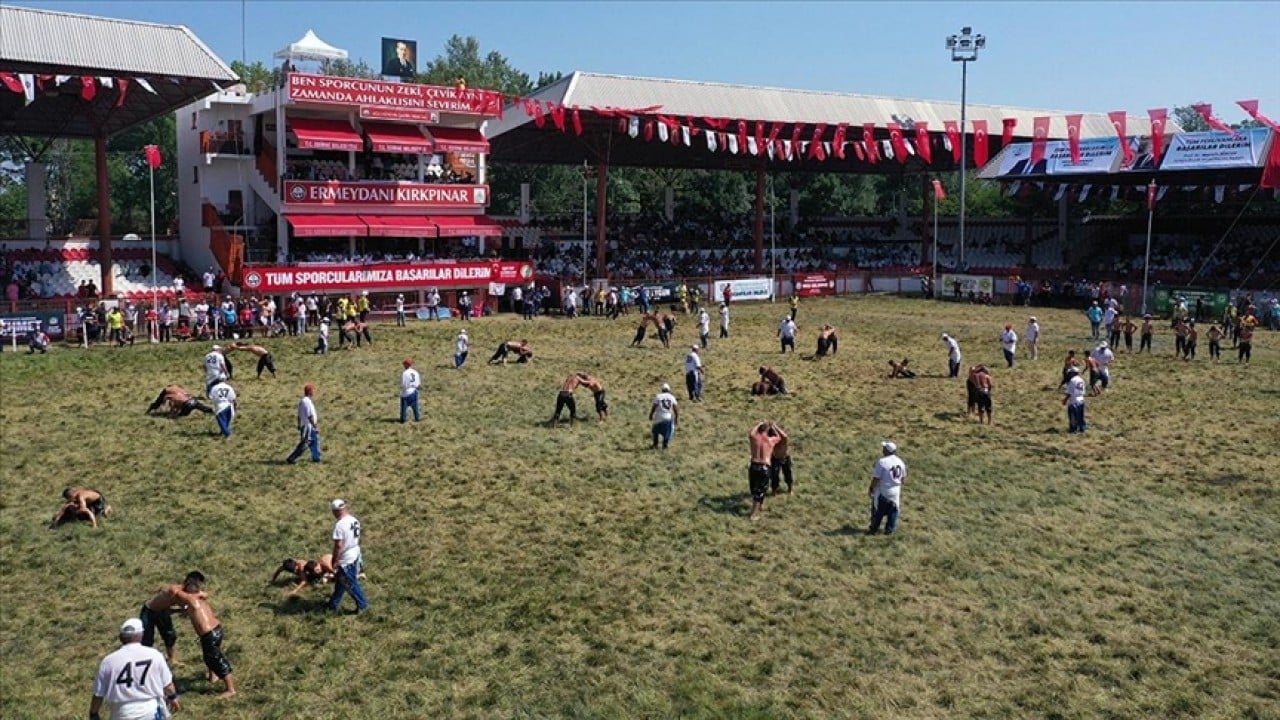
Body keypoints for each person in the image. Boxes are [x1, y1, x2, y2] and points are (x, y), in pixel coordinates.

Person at [89, 617, 181, 720]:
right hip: (149, 711)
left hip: (120, 713)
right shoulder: (154, 655)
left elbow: (98, 694)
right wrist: (173, 697)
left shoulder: (108, 661)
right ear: (141, 635)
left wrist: (94, 713)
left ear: (121, 637)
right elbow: (168, 685)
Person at [170, 571, 237, 697]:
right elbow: (188, 611)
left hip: (210, 634)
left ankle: (230, 689)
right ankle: (213, 676)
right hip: (215, 630)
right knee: (209, 656)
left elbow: (175, 591)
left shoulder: (191, 599)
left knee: (215, 658)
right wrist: (173, 611)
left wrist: (178, 587)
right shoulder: (198, 599)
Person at [139, 571, 207, 664]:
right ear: (187, 580)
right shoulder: (176, 590)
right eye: (193, 579)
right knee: (147, 638)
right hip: (149, 611)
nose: (195, 583)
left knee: (170, 636)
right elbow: (177, 594)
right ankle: (144, 660)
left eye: (197, 581)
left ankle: (172, 658)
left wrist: (181, 610)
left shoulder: (188, 595)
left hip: (163, 612)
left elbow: (170, 609)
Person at [328, 499, 369, 614]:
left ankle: (363, 605)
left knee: (350, 583)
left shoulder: (340, 525)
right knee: (341, 581)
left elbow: (338, 545)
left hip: (346, 557)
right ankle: (333, 604)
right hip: (355, 552)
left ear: (336, 511)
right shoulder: (354, 520)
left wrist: (335, 560)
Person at [868, 441, 907, 535]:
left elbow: (876, 478)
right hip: (896, 489)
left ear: (886, 450)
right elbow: (903, 478)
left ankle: (874, 528)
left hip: (884, 489)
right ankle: (889, 529)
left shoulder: (882, 462)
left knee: (878, 510)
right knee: (893, 510)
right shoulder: (900, 461)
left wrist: (871, 488)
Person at [747, 421, 783, 521]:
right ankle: (753, 515)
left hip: (754, 465)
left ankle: (759, 507)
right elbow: (779, 437)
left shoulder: (755, 438)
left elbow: (751, 433)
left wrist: (758, 424)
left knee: (754, 488)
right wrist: (774, 427)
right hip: (764, 466)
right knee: (760, 490)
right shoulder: (770, 440)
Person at [286, 384, 321, 464]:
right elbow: (310, 415)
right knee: (305, 443)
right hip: (308, 426)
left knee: (315, 441)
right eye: (312, 390)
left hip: (305, 425)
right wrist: (315, 426)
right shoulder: (307, 402)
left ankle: (316, 458)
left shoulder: (302, 401)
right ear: (309, 391)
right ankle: (292, 458)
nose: (314, 392)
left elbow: (299, 415)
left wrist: (299, 424)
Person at [271, 556, 335, 596]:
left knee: (315, 580)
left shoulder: (301, 567)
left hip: (313, 573)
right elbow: (279, 570)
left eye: (296, 569)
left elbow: (304, 581)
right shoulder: (287, 565)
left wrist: (295, 591)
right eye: (294, 571)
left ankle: (326, 577)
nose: (295, 571)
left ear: (296, 565)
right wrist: (273, 579)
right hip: (310, 571)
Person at [146, 384, 214, 418]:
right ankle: (213, 412)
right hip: (193, 401)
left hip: (187, 403)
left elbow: (172, 403)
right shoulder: (179, 390)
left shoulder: (168, 393)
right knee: (203, 408)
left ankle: (150, 409)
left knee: (180, 416)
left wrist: (171, 414)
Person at [649, 383, 678, 450]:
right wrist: (676, 418)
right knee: (667, 432)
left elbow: (654, 406)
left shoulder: (658, 396)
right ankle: (665, 445)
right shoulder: (672, 397)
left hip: (659, 416)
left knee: (655, 431)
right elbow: (675, 409)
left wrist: (651, 414)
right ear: (669, 390)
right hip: (668, 416)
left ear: (662, 390)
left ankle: (655, 445)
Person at [767, 422, 793, 496]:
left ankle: (790, 489)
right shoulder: (770, 441)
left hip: (785, 457)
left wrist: (775, 426)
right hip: (775, 458)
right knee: (774, 475)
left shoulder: (783, 439)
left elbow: (784, 435)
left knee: (788, 473)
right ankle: (774, 490)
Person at [1062, 367, 1087, 434]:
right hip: (1081, 399)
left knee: (1073, 416)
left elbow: (1070, 392)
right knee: (1080, 415)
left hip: (1074, 400)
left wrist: (1065, 400)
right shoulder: (1081, 380)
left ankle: (1074, 429)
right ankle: (1082, 428)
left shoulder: (1072, 380)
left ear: (1073, 373)